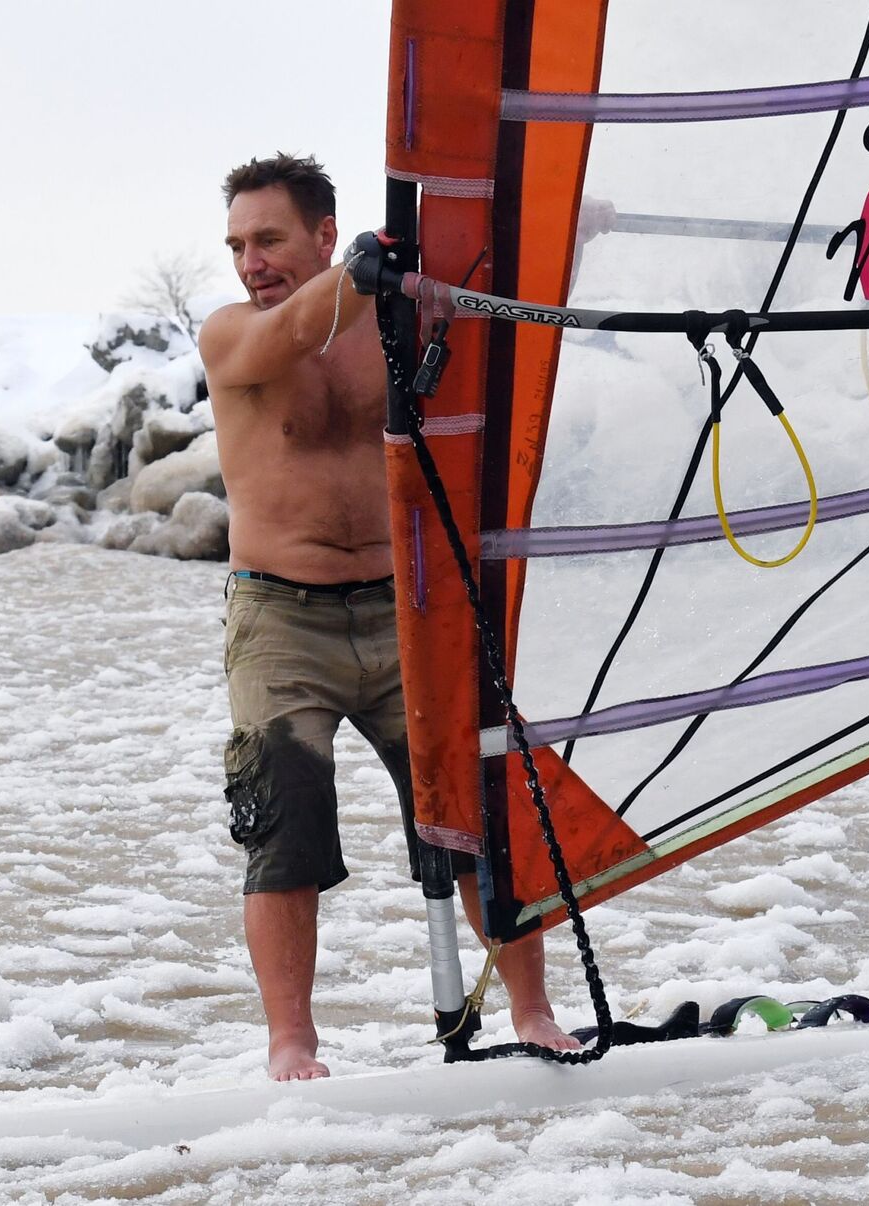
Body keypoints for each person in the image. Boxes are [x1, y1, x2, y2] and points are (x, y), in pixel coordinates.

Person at [196, 153, 580, 1081]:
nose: (251, 262)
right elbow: (295, 329)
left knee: (478, 820)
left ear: (323, 233)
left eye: (269, 239)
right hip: (281, 621)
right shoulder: (234, 333)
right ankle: (292, 1043)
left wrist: (557, 222)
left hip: (409, 610)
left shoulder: (393, 317)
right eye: (237, 245)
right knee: (283, 824)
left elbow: (503, 298)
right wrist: (369, 268)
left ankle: (533, 1012)